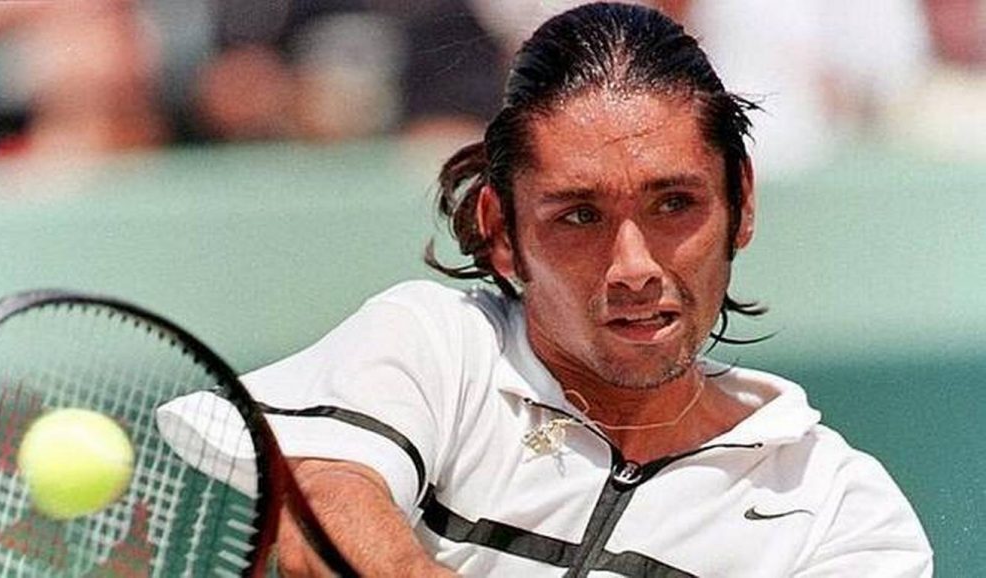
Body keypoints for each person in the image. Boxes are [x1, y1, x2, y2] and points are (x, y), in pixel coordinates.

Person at [238, 3, 932, 576]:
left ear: (741, 202)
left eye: (674, 205)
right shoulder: (432, 345)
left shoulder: (845, 514)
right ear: (501, 230)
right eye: (578, 216)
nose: (634, 266)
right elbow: (325, 513)